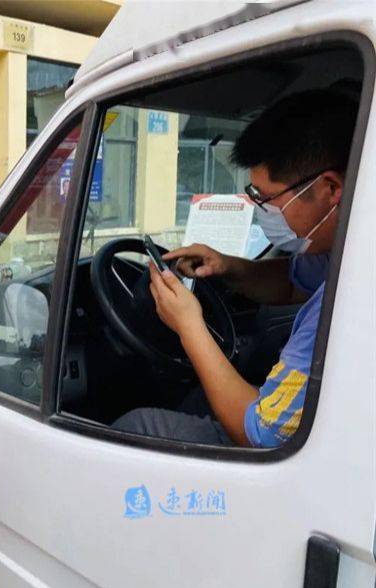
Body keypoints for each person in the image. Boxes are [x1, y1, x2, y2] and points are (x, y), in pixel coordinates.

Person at [113, 89, 357, 448]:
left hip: (290, 455)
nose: (260, 210)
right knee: (199, 399)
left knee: (139, 425)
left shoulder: (349, 300)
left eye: (265, 198)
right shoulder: (352, 251)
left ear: (330, 188)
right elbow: (293, 283)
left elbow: (260, 434)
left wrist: (188, 325)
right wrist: (227, 266)